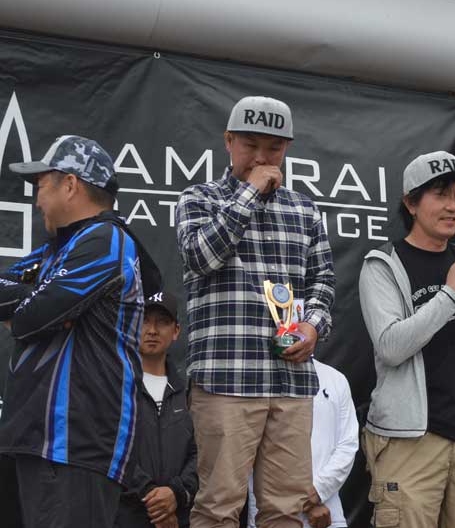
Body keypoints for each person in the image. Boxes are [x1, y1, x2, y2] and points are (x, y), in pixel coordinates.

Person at [176, 96, 335, 528]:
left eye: (274, 148)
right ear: (228, 141)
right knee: (217, 507)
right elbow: (200, 256)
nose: (263, 158)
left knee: (285, 509)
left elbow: (323, 281)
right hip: (226, 379)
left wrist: (312, 326)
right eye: (251, 145)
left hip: (291, 381)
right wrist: (248, 193)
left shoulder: (304, 209)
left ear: (287, 149)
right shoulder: (199, 198)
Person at [0, 135, 160, 527]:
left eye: (41, 186)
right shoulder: (55, 250)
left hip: (75, 442)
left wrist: (35, 304)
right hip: (40, 441)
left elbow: (31, 318)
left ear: (70, 184)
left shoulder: (106, 240)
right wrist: (41, 300)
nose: (37, 200)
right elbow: (27, 303)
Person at [358, 150, 455, 528]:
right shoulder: (383, 264)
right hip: (408, 441)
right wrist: (449, 294)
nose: (453, 206)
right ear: (411, 203)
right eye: (441, 194)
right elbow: (391, 347)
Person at [116, 291, 197, 528]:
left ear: (176, 331)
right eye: (144, 321)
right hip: (125, 516)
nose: (152, 330)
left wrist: (176, 494)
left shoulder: (188, 391)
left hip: (179, 518)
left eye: (162, 322)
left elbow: (201, 453)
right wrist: (155, 501)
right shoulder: (117, 386)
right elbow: (111, 448)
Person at [247, 358, 358, 528]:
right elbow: (248, 447)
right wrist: (305, 502)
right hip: (269, 514)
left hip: (328, 513)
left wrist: (318, 491)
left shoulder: (335, 378)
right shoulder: (254, 377)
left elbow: (347, 445)